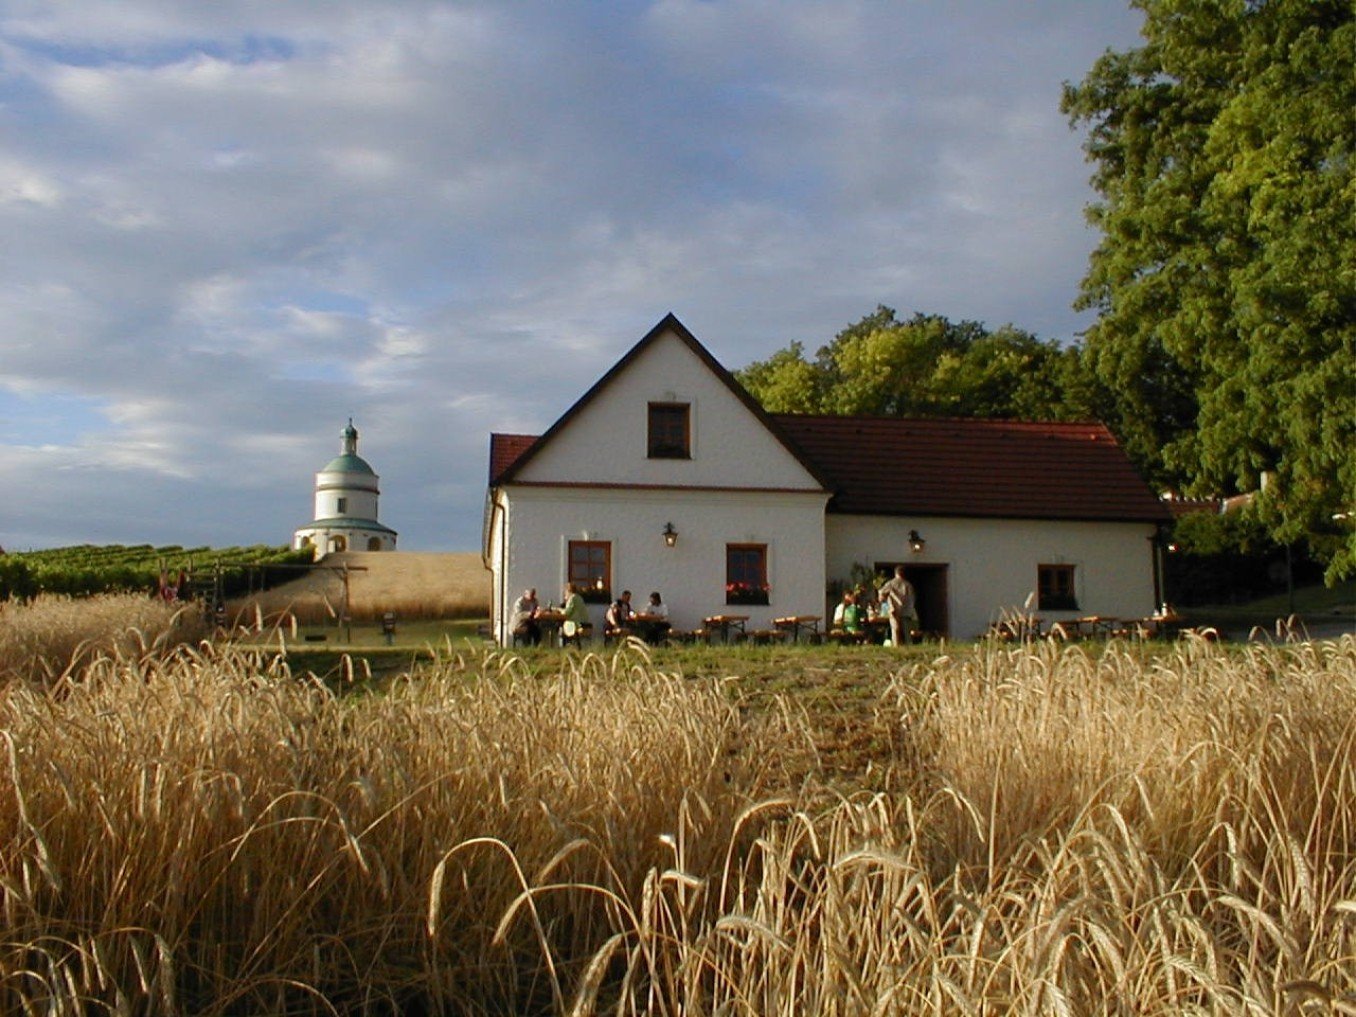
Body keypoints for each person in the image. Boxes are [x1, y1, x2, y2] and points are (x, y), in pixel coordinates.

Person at [878, 565, 918, 646]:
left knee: (895, 630)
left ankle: (896, 647)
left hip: (894, 610)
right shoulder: (908, 585)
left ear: (895, 573)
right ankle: (908, 647)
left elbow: (881, 595)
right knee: (906, 631)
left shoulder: (890, 583)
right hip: (905, 611)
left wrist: (885, 600)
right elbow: (912, 599)